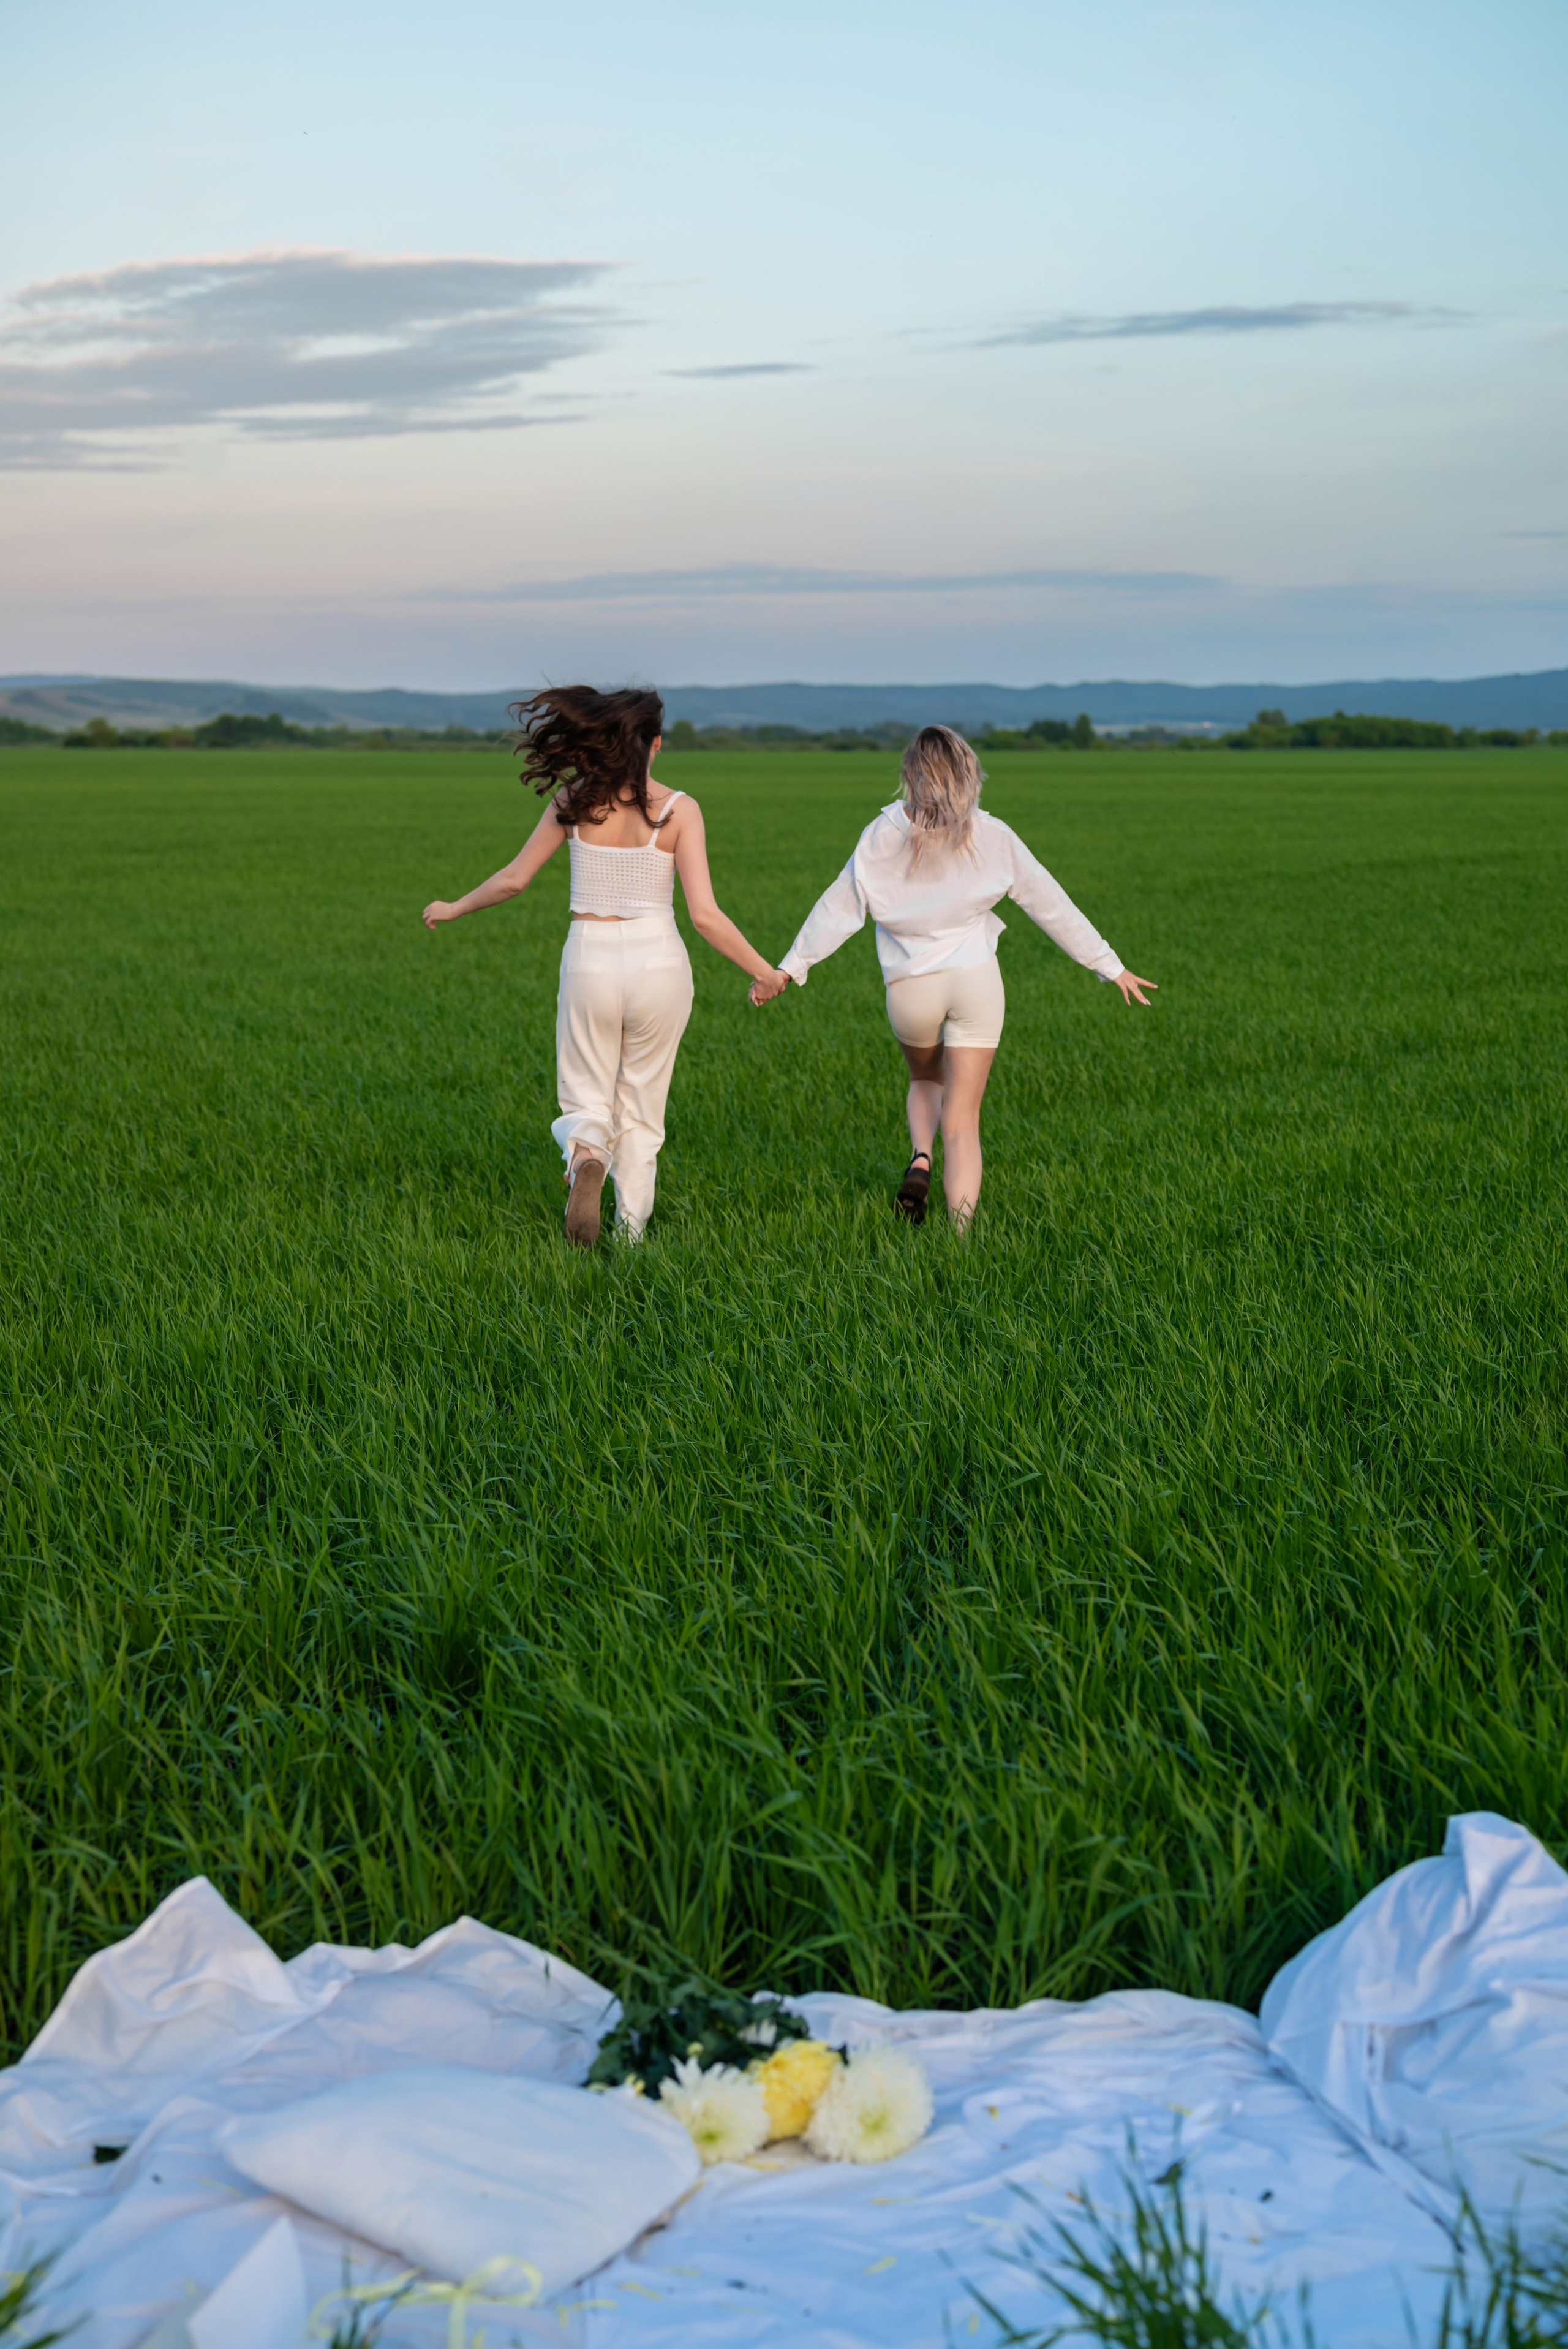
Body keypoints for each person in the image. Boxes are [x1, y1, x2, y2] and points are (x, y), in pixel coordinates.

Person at [750, 724, 1155, 1227]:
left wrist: (788, 969)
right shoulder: (994, 835)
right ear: (969, 773)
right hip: (976, 983)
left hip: (911, 989)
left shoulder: (881, 836)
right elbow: (1051, 905)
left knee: (924, 1077)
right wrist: (1109, 965)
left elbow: (838, 910)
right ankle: (960, 1241)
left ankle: (920, 1157)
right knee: (964, 1122)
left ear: (910, 775)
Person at [423, 686, 777, 1246]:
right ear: (655, 744)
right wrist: (764, 971)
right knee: (641, 1106)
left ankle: (587, 1151)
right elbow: (706, 916)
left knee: (586, 1093)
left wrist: (453, 906)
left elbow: (515, 879)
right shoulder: (680, 810)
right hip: (659, 960)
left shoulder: (574, 801)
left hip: (591, 956)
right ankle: (631, 1239)